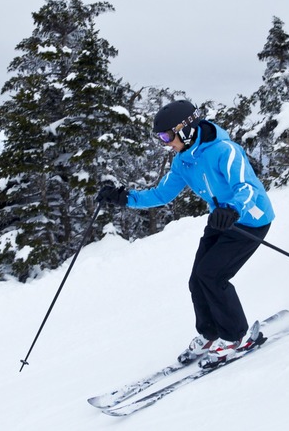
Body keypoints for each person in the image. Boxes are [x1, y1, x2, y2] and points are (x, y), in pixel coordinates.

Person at [96, 100, 275, 367]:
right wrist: (124, 199)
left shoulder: (225, 151)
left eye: (167, 136)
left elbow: (247, 187)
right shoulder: (183, 162)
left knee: (212, 276)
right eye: (160, 137)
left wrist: (233, 209)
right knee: (197, 280)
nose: (165, 142)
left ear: (187, 129)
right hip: (220, 220)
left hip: (249, 220)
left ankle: (235, 336)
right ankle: (210, 333)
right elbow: (161, 194)